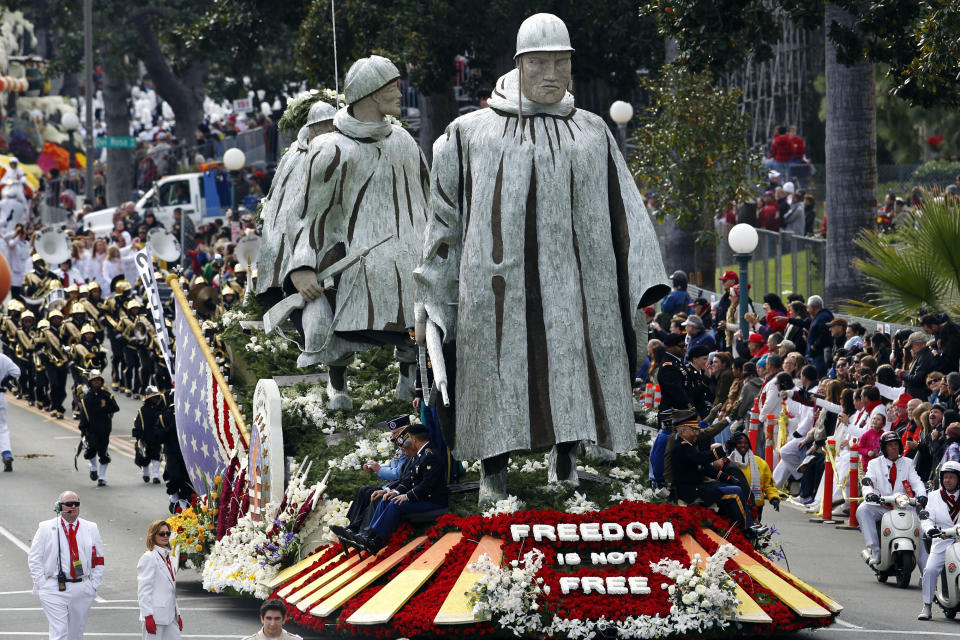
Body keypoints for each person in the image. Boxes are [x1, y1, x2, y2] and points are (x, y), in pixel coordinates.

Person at [416, 13, 668, 504]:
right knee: (495, 374)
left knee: (573, 365)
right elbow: (442, 222)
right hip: (493, 288)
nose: (551, 73)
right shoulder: (469, 134)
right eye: (539, 63)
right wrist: (435, 296)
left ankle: (567, 461)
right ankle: (494, 472)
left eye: (561, 63)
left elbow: (628, 212)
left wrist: (638, 283)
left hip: (577, 286)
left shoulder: (593, 133)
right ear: (519, 65)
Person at [344, 424, 448, 554]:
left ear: (414, 438)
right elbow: (409, 479)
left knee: (395, 504)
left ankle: (376, 541)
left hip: (433, 501)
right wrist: (394, 492)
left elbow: (427, 485)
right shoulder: (419, 454)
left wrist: (407, 496)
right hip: (421, 497)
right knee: (387, 499)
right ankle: (368, 535)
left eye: (409, 437)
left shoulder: (431, 455)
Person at [671, 411, 764, 538]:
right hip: (691, 491)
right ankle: (747, 529)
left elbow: (706, 469)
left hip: (697, 487)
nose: (697, 433)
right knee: (735, 492)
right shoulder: (681, 447)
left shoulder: (689, 446)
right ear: (683, 432)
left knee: (733, 485)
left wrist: (729, 478)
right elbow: (701, 459)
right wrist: (722, 449)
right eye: (693, 430)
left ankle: (745, 524)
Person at [27, 491, 105, 640]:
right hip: (54, 587)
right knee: (60, 632)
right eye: (69, 504)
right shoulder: (46, 528)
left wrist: (94, 584)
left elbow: (99, 558)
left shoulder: (91, 527)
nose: (73, 507)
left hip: (82, 587)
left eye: (76, 504)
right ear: (59, 506)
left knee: (76, 634)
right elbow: (34, 557)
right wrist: (42, 584)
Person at [859, 431, 928, 566]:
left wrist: (922, 495)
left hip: (904, 507)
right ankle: (876, 550)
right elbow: (868, 481)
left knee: (921, 532)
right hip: (882, 505)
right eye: (890, 445)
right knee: (863, 509)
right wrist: (869, 494)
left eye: (896, 444)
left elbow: (917, 482)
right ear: (884, 448)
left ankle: (925, 574)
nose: (894, 447)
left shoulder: (908, 462)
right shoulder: (874, 463)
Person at [918, 461, 960, 620]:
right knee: (929, 570)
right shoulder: (934, 496)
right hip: (942, 540)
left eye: (952, 477)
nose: (948, 480)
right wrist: (930, 530)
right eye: (945, 477)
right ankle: (926, 606)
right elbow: (926, 518)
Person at [136, 520, 182, 639]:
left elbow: (171, 589)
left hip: (170, 617)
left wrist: (178, 614)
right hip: (155, 616)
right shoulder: (149, 557)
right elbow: (143, 590)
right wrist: (148, 616)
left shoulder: (167, 557)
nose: (165, 536)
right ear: (153, 535)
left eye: (168, 533)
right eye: (161, 534)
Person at [78, 370, 120, 486]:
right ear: (90, 383)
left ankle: (102, 477)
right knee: (91, 449)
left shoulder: (106, 395)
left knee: (103, 452)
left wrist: (104, 409)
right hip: (91, 429)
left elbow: (116, 408)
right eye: (94, 381)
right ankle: (93, 467)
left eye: (99, 381)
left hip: (104, 428)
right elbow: (84, 414)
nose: (97, 383)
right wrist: (83, 428)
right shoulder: (86, 398)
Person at [727, 432, 780, 521]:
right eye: (740, 443)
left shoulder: (760, 462)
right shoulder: (727, 462)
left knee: (754, 533)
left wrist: (774, 497)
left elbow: (768, 484)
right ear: (734, 444)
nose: (743, 445)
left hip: (756, 506)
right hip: (735, 504)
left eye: (746, 443)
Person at [134, 388, 167, 484]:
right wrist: (139, 436)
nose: (155, 399)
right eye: (153, 398)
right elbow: (138, 424)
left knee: (157, 455)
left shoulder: (160, 410)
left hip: (156, 437)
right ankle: (145, 473)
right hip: (145, 437)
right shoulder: (142, 410)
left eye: (157, 397)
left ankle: (155, 475)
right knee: (144, 457)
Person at [0, 347, 20, 471]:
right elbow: (16, 371)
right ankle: (6, 453)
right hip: (0, 395)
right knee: (2, 427)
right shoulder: (2, 358)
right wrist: (4, 381)